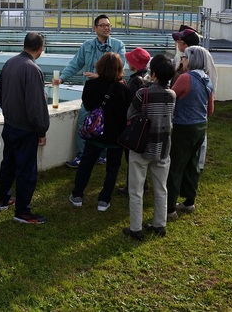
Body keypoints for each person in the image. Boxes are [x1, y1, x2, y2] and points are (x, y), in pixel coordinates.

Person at [53, 14, 126, 169]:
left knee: (108, 123)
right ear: (95, 28)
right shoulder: (87, 46)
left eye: (109, 25)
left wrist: (99, 76)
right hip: (92, 93)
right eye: (103, 25)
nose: (107, 28)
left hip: (110, 94)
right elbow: (75, 64)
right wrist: (62, 79)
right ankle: (81, 156)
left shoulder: (118, 45)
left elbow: (121, 70)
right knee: (84, 121)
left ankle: (102, 156)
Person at [0, 32, 50, 224]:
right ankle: (22, 211)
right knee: (26, 171)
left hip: (10, 124)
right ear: (40, 48)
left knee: (8, 163)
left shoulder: (10, 63)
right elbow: (36, 105)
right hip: (26, 129)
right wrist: (41, 129)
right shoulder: (32, 69)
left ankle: (3, 198)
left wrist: (9, 111)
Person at [68, 52, 131, 212]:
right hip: (116, 135)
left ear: (100, 66)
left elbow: (88, 106)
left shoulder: (91, 85)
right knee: (112, 168)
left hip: (95, 132)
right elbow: (128, 112)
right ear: (119, 68)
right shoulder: (124, 89)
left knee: (86, 164)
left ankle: (77, 195)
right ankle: (104, 200)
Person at [123, 54, 176, 241]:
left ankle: (136, 227)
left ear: (152, 73)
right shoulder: (172, 94)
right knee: (161, 188)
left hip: (141, 146)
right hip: (163, 147)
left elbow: (130, 113)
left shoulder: (143, 93)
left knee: (136, 189)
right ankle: (159, 224)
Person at [166, 46, 215, 222]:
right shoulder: (207, 79)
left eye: (184, 58)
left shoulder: (185, 78)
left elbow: (169, 97)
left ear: (192, 59)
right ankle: (189, 201)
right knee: (192, 164)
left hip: (184, 127)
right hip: (201, 126)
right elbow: (210, 109)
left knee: (175, 166)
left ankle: (170, 207)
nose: (182, 61)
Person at [172, 25, 218, 172]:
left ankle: (198, 164)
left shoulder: (200, 56)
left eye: (179, 41)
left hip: (197, 98)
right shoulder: (181, 56)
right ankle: (192, 164)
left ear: (185, 44)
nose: (177, 44)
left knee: (198, 135)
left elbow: (211, 78)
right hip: (191, 99)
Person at [116, 47, 151, 195]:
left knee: (131, 157)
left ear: (134, 65)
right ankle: (143, 184)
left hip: (133, 123)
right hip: (144, 122)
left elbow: (130, 102)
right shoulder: (147, 77)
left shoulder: (135, 81)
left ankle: (133, 186)